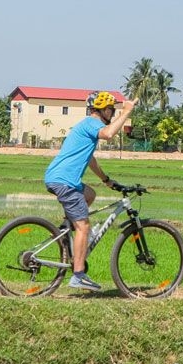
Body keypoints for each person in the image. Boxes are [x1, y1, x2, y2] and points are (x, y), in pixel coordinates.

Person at [43, 91, 135, 290]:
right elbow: (109, 134)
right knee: (83, 226)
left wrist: (106, 180)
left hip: (61, 179)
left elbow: (90, 159)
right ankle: (78, 275)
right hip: (65, 181)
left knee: (90, 195)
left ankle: (67, 230)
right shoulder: (93, 123)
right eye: (111, 110)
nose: (112, 113)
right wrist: (126, 112)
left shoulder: (87, 126)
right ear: (103, 110)